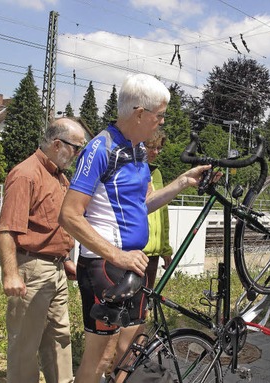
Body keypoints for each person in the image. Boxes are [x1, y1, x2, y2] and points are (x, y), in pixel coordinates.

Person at [59, 73, 212, 383]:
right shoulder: (100, 149)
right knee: (99, 358)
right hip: (105, 265)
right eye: (160, 116)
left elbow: (143, 205)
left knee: (130, 353)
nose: (162, 123)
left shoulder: (138, 150)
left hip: (133, 263)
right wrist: (118, 255)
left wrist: (183, 182)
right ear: (140, 113)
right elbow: (69, 216)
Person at [0, 117, 87, 383]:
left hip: (56, 268)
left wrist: (66, 258)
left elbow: (59, 224)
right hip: (32, 269)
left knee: (59, 336)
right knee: (25, 341)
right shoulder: (26, 174)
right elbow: (7, 229)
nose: (78, 154)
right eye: (76, 148)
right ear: (57, 144)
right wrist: (11, 274)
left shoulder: (59, 177)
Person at [143, 128, 174, 288]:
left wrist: (165, 248)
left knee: (145, 302)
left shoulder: (157, 174)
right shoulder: (130, 172)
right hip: (137, 252)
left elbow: (163, 214)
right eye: (151, 147)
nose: (155, 152)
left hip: (154, 253)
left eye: (159, 148)